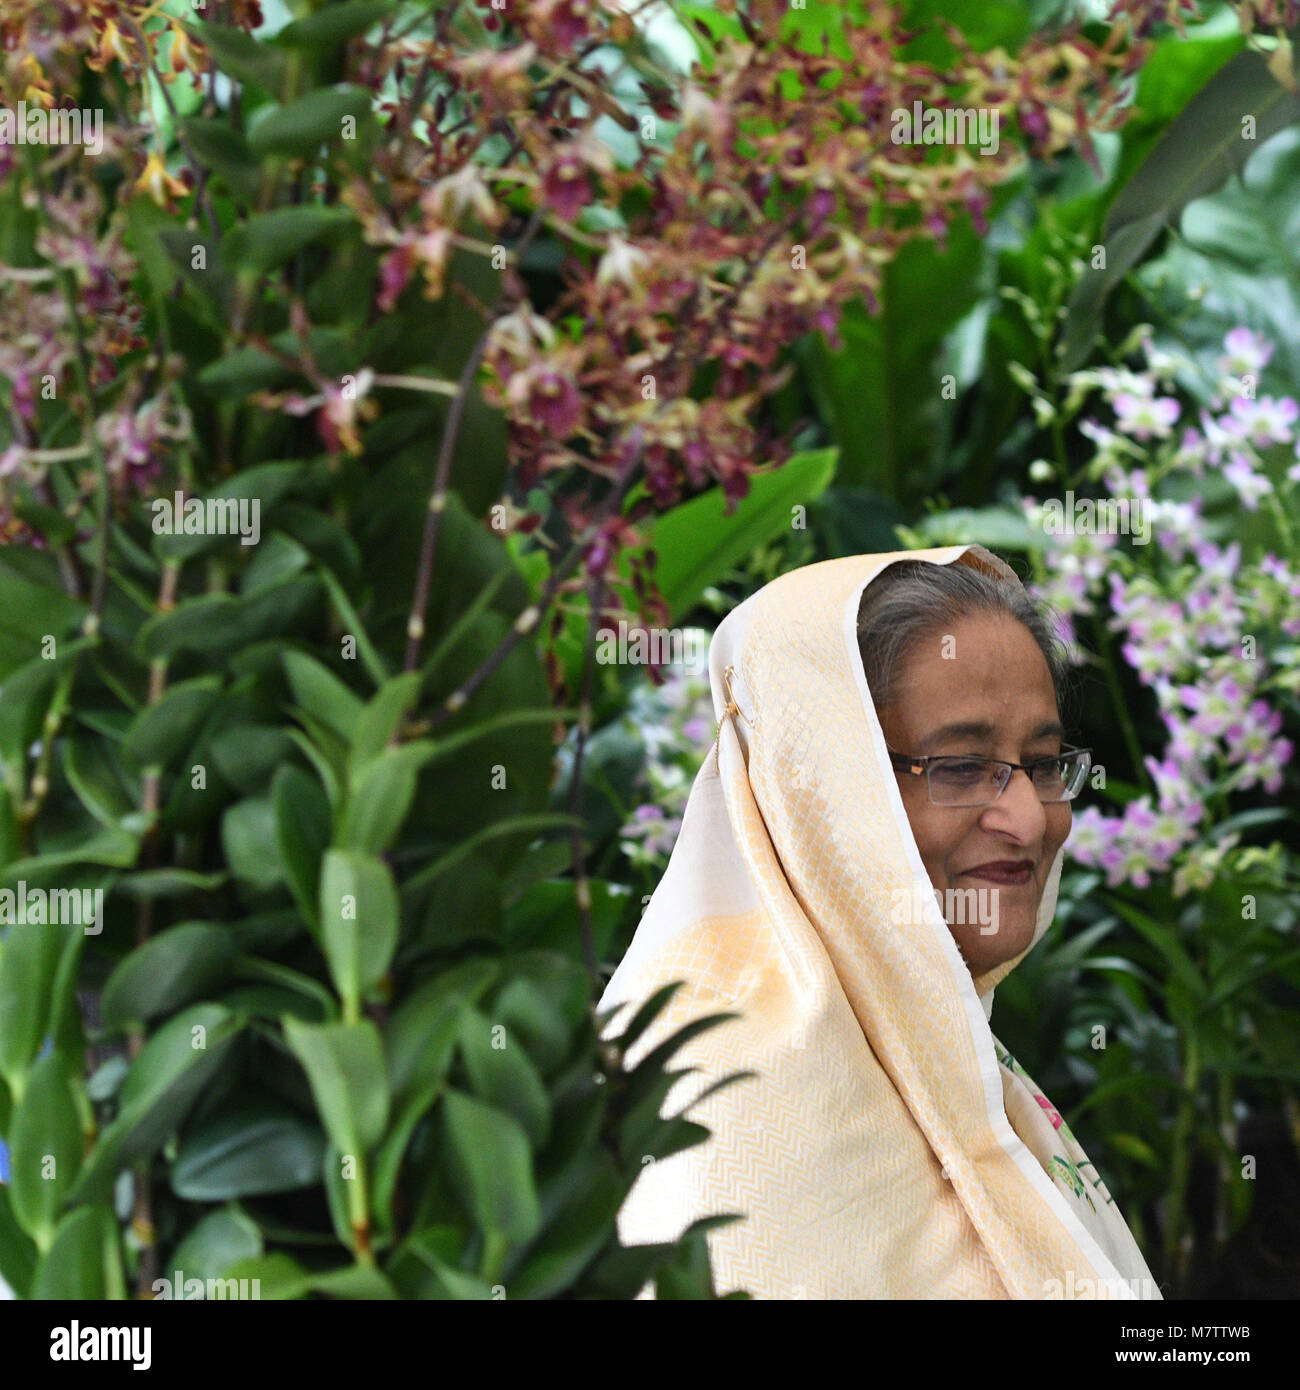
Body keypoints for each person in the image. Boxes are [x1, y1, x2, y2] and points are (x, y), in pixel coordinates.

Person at [597, 544, 1162, 1299]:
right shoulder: (728, 1113)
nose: (1031, 819)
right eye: (961, 768)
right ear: (824, 787)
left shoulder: (932, 1039)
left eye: (1045, 762)